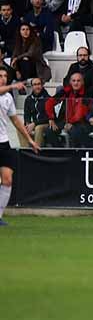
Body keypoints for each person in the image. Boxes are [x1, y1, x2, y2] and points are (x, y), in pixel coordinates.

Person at [0, 83, 40, 225]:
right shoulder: (7, 90)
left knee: (7, 180)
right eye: (0, 76)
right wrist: (13, 86)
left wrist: (29, 140)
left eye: (5, 76)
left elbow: (15, 121)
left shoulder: (8, 98)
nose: (3, 79)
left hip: (3, 142)